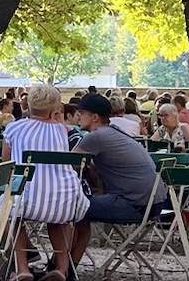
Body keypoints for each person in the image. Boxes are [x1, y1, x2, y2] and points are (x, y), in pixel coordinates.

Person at [2, 83, 90, 281]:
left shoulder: (13, 128)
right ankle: (61, 267)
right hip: (66, 201)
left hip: (26, 200)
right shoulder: (63, 130)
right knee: (57, 219)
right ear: (55, 110)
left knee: (8, 210)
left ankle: (22, 267)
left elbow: (7, 166)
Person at [66, 92, 162, 258]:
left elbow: (67, 167)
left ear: (94, 117)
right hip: (154, 203)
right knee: (80, 207)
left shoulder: (95, 137)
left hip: (134, 204)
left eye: (81, 113)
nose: (78, 117)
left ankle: (65, 268)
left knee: (71, 209)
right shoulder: (114, 132)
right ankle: (64, 266)